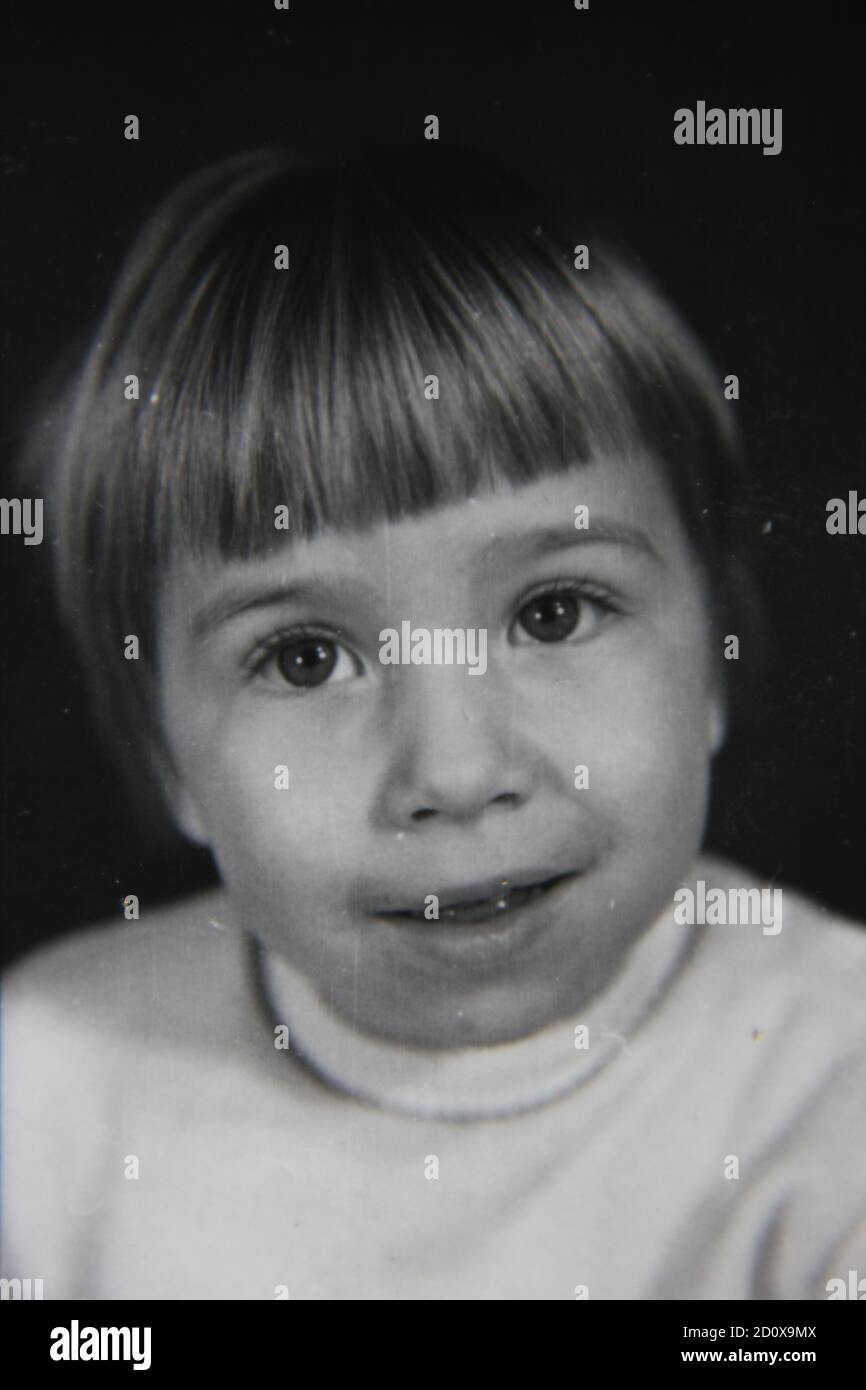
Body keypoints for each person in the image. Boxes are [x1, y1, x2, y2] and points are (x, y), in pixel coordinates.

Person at [3, 143, 864, 1300]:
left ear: (711, 661)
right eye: (304, 658)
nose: (456, 771)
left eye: (554, 612)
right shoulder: (45, 1090)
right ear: (168, 758)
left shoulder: (831, 1094)